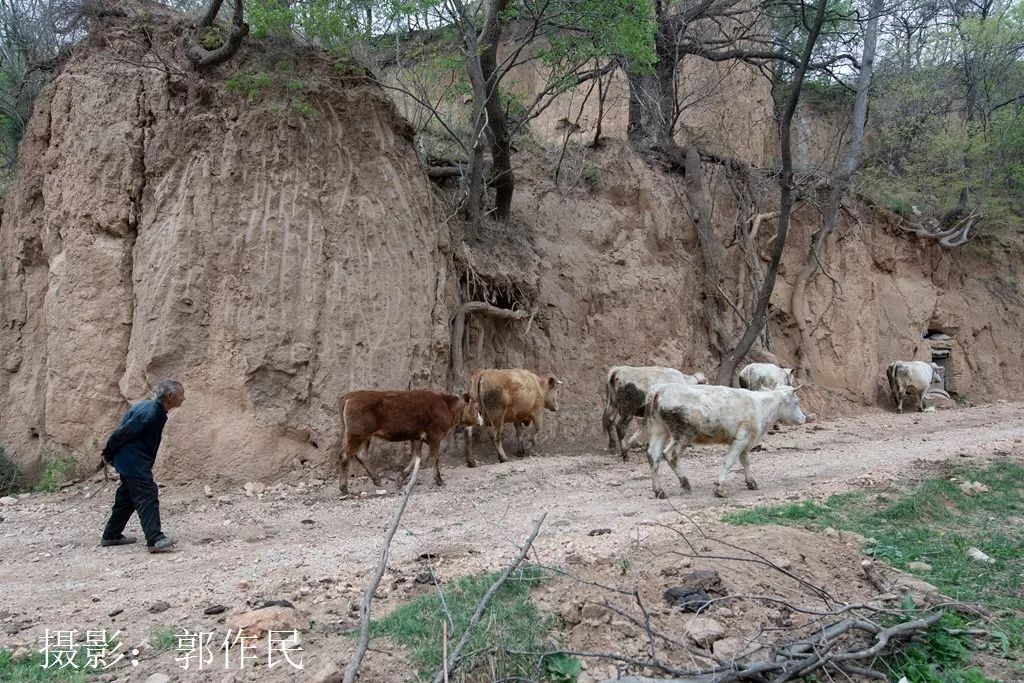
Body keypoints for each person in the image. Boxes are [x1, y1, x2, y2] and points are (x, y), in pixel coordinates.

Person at [99, 380, 185, 553]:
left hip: (131, 461)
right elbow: (123, 433)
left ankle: (111, 535)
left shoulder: (152, 409)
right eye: (181, 394)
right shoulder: (151, 413)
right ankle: (155, 539)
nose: (184, 398)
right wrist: (108, 453)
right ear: (170, 397)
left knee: (127, 498)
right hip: (133, 462)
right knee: (147, 494)